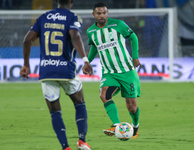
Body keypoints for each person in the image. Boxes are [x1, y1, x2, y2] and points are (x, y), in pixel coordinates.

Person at [20, 0, 93, 150]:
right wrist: (85, 60)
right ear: (72, 1)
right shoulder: (73, 17)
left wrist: (26, 64)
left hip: (47, 71)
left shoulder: (43, 17)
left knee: (55, 112)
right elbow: (75, 37)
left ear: (57, 1)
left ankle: (65, 147)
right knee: (79, 103)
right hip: (66, 69)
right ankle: (82, 141)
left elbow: (27, 40)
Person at [85, 2, 141, 139]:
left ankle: (135, 126)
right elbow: (94, 47)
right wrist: (87, 61)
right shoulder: (91, 31)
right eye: (99, 13)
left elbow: (133, 37)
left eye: (104, 12)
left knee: (132, 107)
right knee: (103, 94)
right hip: (109, 72)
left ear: (107, 13)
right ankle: (116, 125)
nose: (102, 15)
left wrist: (135, 57)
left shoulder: (118, 25)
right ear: (94, 15)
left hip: (127, 71)